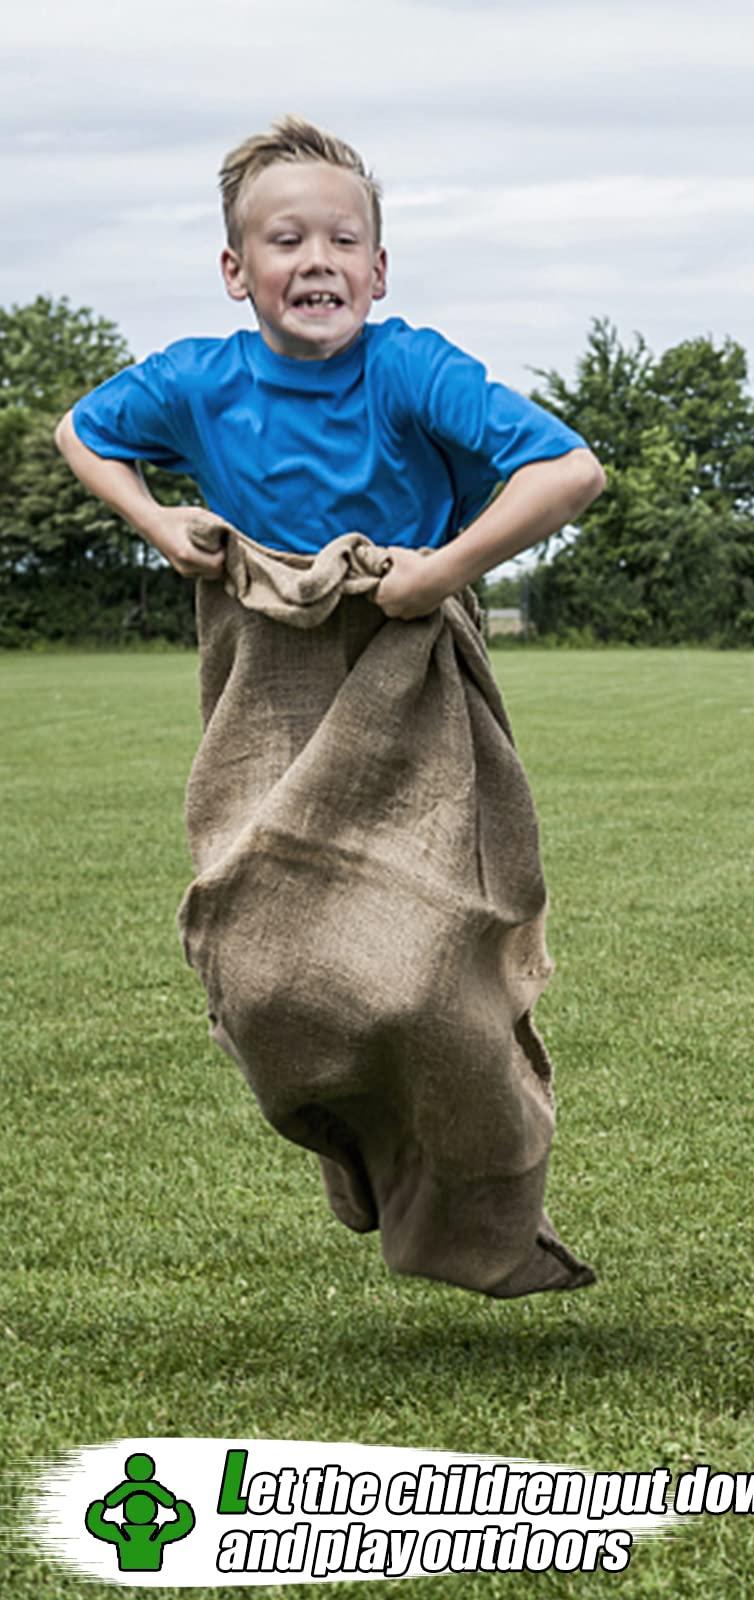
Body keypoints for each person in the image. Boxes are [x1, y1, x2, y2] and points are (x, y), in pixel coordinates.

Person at [56, 117, 606, 1299]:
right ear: (234, 270)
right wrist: (162, 524)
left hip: (406, 678)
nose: (316, 259)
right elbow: (81, 433)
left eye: (341, 239)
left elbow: (570, 470)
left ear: (379, 267)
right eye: (284, 238)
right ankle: (353, 1140)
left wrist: (442, 570)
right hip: (267, 679)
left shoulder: (410, 367)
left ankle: (486, 1203)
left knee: (421, 974)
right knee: (265, 973)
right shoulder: (202, 380)